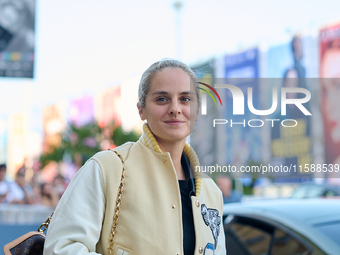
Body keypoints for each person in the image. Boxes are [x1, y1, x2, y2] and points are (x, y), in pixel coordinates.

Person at [44, 59, 226, 255]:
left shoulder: (211, 192)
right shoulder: (108, 168)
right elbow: (61, 248)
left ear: (197, 110)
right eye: (162, 99)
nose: (175, 108)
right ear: (141, 110)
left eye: (185, 99)